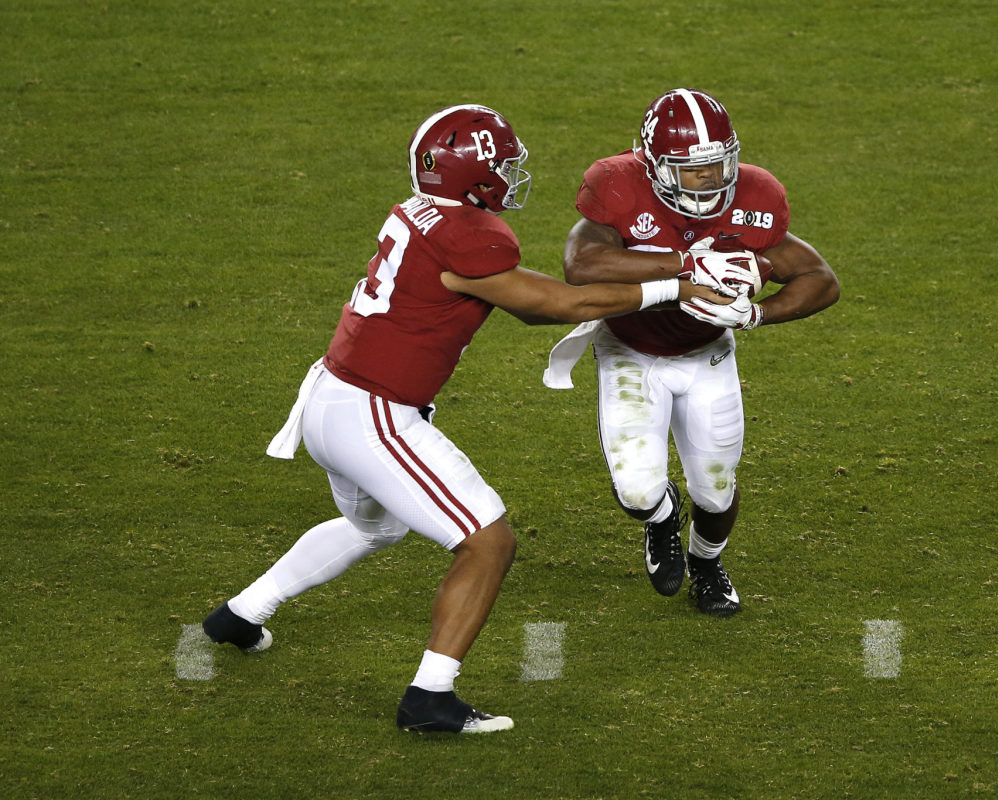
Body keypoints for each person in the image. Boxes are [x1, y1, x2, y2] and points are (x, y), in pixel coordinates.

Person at [202, 104, 728, 734]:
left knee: (373, 528)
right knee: (489, 540)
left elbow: (539, 306)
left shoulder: (419, 212)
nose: (511, 174)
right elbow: (563, 303)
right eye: (502, 165)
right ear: (473, 175)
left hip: (328, 397)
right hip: (375, 413)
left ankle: (241, 613)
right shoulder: (473, 234)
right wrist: (681, 281)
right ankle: (429, 697)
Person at [552, 88, 840, 618]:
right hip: (630, 348)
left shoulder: (754, 196)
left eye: (717, 164)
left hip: (707, 353)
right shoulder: (617, 185)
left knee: (715, 489)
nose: (710, 178)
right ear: (655, 166)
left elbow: (821, 278)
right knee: (639, 493)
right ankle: (662, 518)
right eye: (692, 168)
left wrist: (760, 314)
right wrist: (686, 266)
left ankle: (706, 564)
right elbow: (582, 265)